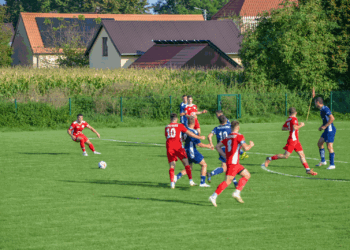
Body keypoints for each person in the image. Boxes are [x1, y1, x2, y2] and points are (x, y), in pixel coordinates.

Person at [209, 121, 254, 207]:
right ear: (238, 128)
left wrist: (224, 155)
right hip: (233, 164)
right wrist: (251, 144)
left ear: (231, 128)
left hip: (234, 163)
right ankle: (213, 196)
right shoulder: (239, 136)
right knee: (227, 182)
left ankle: (237, 192)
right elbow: (246, 148)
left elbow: (217, 146)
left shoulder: (228, 137)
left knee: (247, 175)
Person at [264, 107, 317, 176]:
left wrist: (290, 128)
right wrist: (301, 125)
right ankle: (269, 158)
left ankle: (308, 170)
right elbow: (295, 127)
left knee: (302, 154)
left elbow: (283, 128)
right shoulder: (294, 119)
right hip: (292, 140)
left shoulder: (289, 119)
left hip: (296, 140)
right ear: (296, 113)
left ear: (289, 113)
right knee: (286, 156)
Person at [165, 113, 206, 189]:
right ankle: (190, 181)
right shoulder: (180, 125)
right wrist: (199, 137)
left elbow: (167, 136)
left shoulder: (166, 127)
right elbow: (190, 133)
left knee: (172, 165)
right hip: (178, 147)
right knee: (187, 164)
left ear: (170, 119)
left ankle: (172, 183)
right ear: (176, 119)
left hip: (169, 148)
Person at [174, 116, 213, 187]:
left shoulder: (184, 130)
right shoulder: (194, 131)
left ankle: (176, 177)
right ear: (194, 123)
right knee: (204, 165)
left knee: (189, 168)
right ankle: (202, 182)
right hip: (192, 151)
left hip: (185, 151)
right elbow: (199, 144)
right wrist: (208, 146)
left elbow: (182, 139)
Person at [207, 115, 238, 186]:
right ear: (226, 120)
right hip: (228, 149)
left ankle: (235, 183)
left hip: (220, 148)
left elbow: (209, 136)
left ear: (219, 121)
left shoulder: (216, 128)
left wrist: (211, 144)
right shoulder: (229, 127)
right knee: (228, 166)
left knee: (227, 166)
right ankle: (235, 182)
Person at [315, 97, 336, 169]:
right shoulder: (321, 110)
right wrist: (322, 126)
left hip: (330, 130)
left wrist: (325, 126)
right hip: (326, 130)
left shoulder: (325, 109)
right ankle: (323, 161)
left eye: (315, 102)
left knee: (329, 147)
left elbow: (332, 118)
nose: (315, 104)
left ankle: (332, 165)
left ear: (318, 102)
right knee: (320, 143)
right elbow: (325, 120)